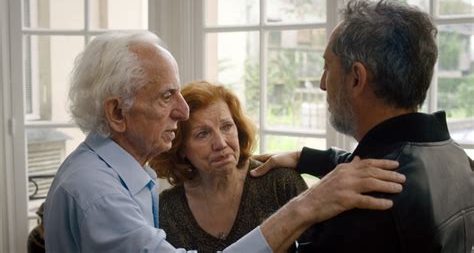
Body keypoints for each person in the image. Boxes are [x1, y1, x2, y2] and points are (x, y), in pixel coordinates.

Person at [43, 30, 406, 252]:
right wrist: (305, 205)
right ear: (117, 114)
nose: (182, 111)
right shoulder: (99, 194)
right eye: (166, 96)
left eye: (227, 127)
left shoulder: (126, 178)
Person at [251, 0, 474, 252]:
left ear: (357, 78)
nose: (323, 83)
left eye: (328, 66)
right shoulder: (454, 157)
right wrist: (308, 158)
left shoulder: (366, 203)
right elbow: (386, 165)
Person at [150, 81, 309, 252]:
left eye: (226, 127)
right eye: (202, 134)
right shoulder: (167, 209)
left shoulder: (280, 183)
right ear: (180, 148)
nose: (220, 143)